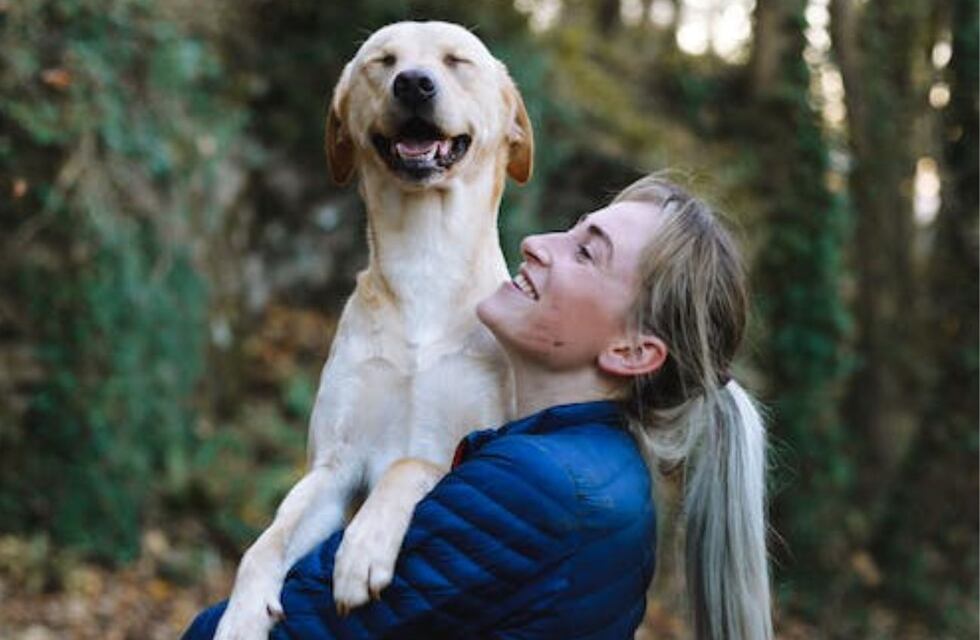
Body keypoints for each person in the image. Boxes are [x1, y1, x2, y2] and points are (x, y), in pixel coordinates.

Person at [184, 175, 773, 640]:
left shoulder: (535, 488)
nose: (536, 243)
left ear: (632, 351)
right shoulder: (600, 468)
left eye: (585, 254)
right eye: (570, 230)